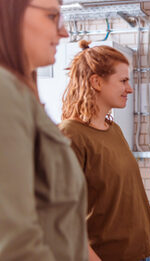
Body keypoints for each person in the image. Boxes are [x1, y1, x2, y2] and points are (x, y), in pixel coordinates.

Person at [0, 0, 88, 260]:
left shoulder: (19, 92)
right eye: (52, 17)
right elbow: (13, 243)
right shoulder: (5, 93)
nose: (64, 32)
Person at [59, 40, 150, 261]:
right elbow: (61, 215)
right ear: (96, 82)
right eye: (123, 81)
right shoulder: (70, 135)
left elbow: (116, 187)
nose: (129, 88)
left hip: (140, 252)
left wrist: (145, 216)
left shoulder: (113, 129)